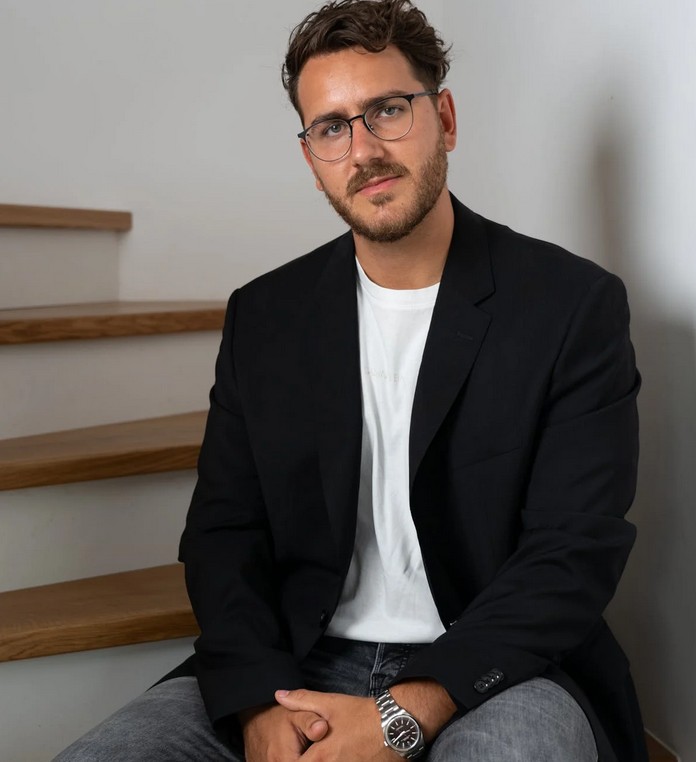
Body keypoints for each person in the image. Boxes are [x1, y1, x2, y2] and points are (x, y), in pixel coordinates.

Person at [54, 1, 648, 760]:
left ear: (446, 120)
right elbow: (224, 533)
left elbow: (574, 550)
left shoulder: (570, 305)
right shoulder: (265, 316)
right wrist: (256, 705)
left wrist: (407, 710)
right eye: (332, 127)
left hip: (496, 666)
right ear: (312, 160)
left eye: (388, 110)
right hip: (295, 664)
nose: (363, 150)